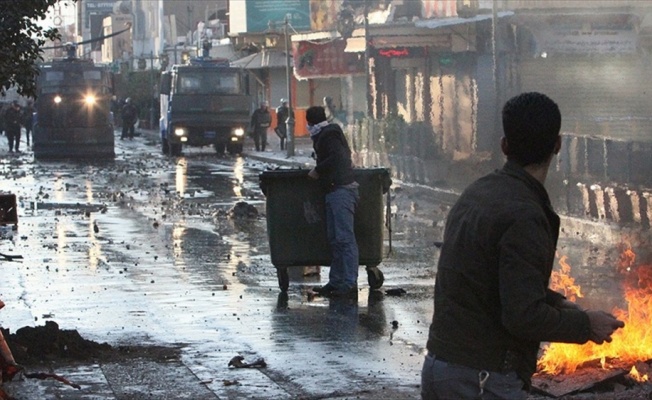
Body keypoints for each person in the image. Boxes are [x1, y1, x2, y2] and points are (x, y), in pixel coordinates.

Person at [421, 92, 625, 399]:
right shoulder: (524, 215)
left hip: (441, 369)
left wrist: (557, 303)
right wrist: (586, 325)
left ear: (505, 145)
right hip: (482, 380)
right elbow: (522, 317)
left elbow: (490, 278)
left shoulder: (478, 192)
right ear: (557, 145)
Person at [307, 105, 360, 298]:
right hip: (335, 190)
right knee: (336, 239)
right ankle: (337, 281)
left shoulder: (328, 135)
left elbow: (338, 157)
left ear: (311, 123)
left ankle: (348, 283)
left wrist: (318, 170)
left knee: (344, 239)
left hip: (341, 191)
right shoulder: (327, 133)